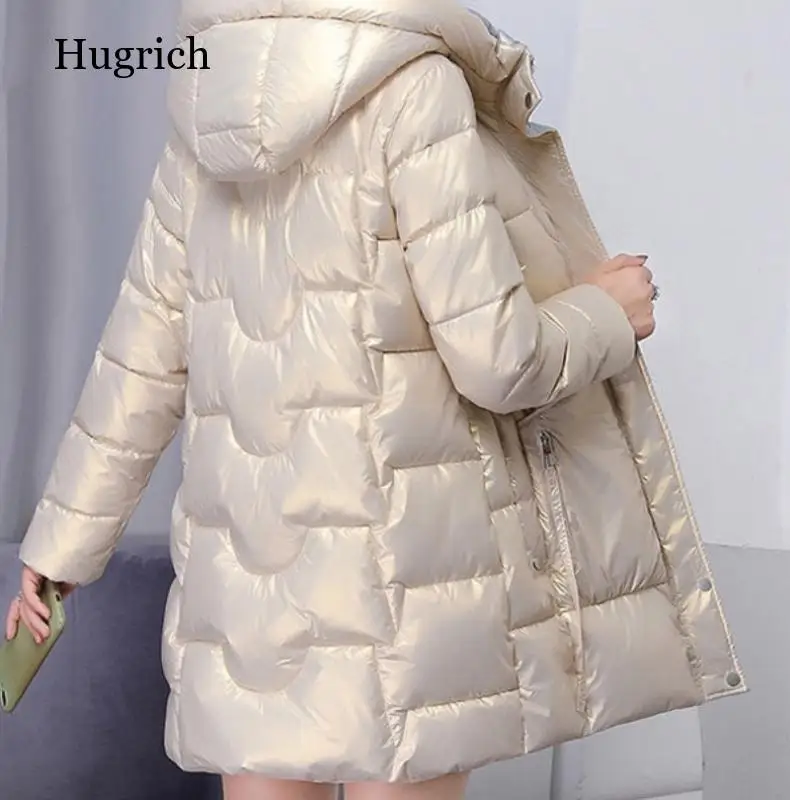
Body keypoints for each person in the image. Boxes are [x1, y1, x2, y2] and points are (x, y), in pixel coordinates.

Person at [5, 1, 743, 799]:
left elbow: (138, 361)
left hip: (246, 589)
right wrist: (607, 313)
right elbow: (498, 360)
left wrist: (59, 549)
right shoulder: (413, 85)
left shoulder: (207, 97)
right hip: (412, 578)